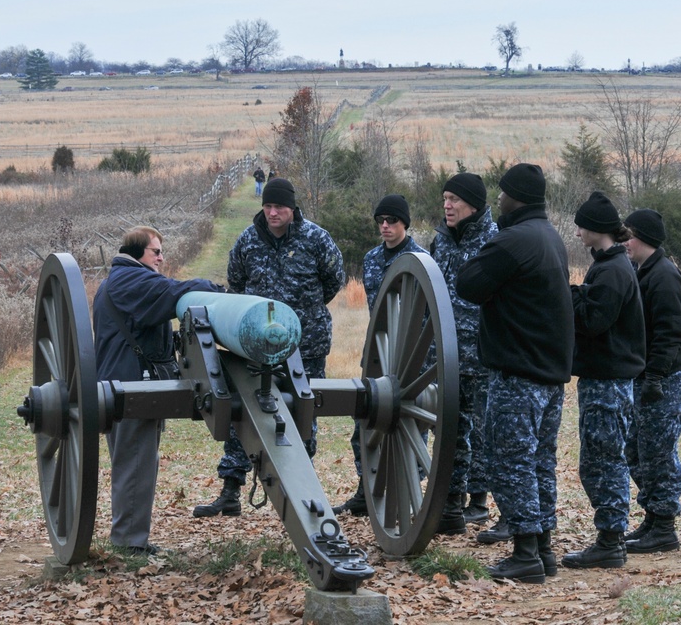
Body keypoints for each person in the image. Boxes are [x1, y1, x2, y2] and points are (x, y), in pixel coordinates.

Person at [193, 177, 345, 518]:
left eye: (280, 207)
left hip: (306, 343)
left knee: (304, 414)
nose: (273, 213)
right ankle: (230, 490)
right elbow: (237, 281)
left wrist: (303, 314)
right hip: (255, 344)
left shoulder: (316, 239)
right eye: (268, 206)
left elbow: (334, 280)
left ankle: (302, 493)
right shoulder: (248, 240)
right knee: (242, 412)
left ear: (292, 209)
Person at [456, 163, 574, 584]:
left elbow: (468, 284)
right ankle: (543, 549)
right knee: (540, 462)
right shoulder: (550, 239)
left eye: (502, 193)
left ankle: (524, 554)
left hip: (517, 374)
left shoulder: (513, 241)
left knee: (512, 462)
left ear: (515, 197)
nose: (498, 200)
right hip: (548, 375)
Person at [93, 226, 224, 554]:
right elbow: (171, 292)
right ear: (138, 253)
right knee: (135, 462)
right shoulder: (130, 281)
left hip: (125, 381)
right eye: (156, 251)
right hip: (131, 385)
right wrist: (214, 290)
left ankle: (131, 539)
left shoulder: (120, 281)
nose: (161, 258)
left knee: (136, 462)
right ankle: (129, 544)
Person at [560, 192, 646, 570]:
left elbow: (594, 321)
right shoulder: (610, 265)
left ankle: (611, 542)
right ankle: (609, 538)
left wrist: (570, 293)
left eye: (581, 225)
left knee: (604, 460)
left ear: (596, 229)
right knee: (597, 460)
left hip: (608, 383)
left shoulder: (612, 270)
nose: (577, 231)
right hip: (604, 379)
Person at [335, 194, 426, 516]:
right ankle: (366, 490)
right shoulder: (372, 258)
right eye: (381, 222)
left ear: (405, 224)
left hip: (412, 356)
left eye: (392, 222)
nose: (385, 227)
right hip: (380, 352)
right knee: (366, 420)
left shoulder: (421, 258)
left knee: (412, 430)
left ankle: (409, 494)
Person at [425, 172, 499, 535]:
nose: (447, 205)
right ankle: (450, 506)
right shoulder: (440, 243)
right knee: (450, 431)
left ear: (474, 203)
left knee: (485, 431)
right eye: (444, 199)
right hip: (447, 355)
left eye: (454, 199)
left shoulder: (495, 241)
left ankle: (480, 500)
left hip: (484, 354)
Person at [621, 208, 681, 554]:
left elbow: (671, 332)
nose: (625, 243)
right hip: (647, 377)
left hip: (664, 379)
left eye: (629, 236)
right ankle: (652, 516)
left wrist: (655, 377)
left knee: (658, 452)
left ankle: (664, 526)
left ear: (644, 238)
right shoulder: (643, 272)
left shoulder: (663, 276)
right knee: (637, 448)